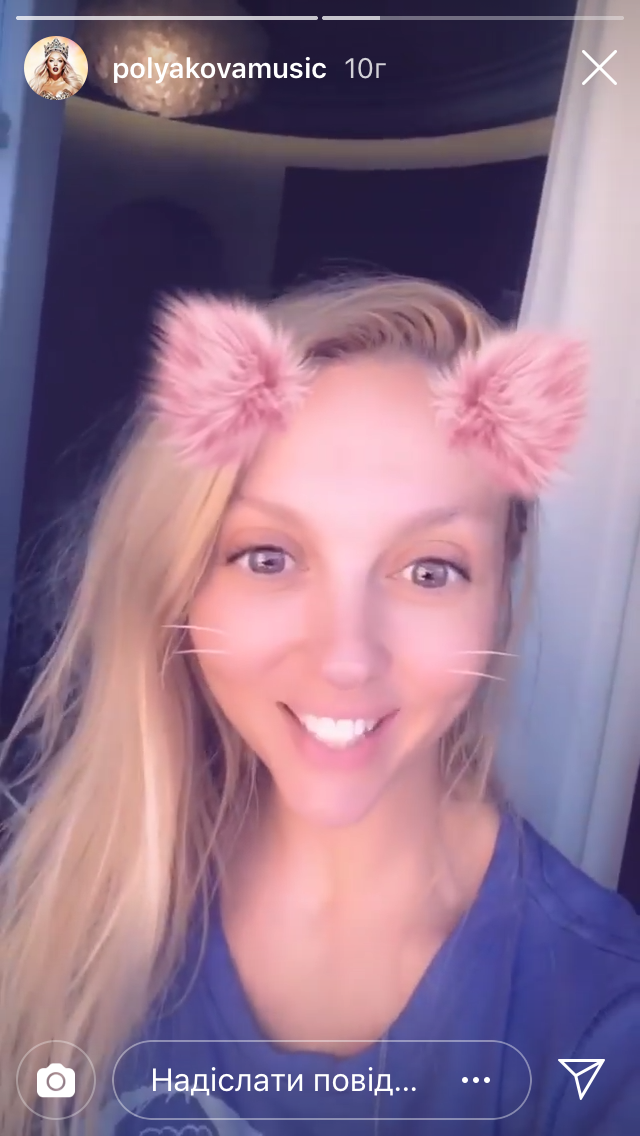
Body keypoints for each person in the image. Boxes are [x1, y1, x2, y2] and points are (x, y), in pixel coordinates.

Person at [0, 276, 639, 1136]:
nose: (346, 659)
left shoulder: (601, 1021)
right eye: (268, 556)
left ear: (499, 593)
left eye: (430, 569)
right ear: (179, 583)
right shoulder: (57, 909)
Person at [28, 37, 83, 102]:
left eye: (60, 61)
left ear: (64, 65)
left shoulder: (73, 86)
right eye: (51, 60)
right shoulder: (37, 86)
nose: (55, 64)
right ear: (46, 64)